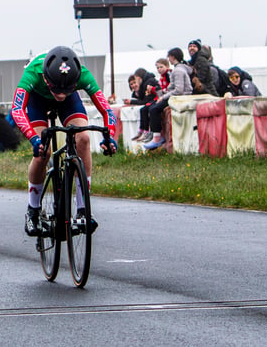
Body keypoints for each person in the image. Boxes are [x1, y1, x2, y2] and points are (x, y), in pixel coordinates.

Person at [11, 46, 117, 237]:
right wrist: (34, 139)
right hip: (38, 101)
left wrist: (109, 137)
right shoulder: (33, 73)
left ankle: (84, 210)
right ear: (45, 78)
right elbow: (17, 110)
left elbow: (107, 110)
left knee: (83, 138)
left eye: (66, 89)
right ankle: (33, 210)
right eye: (56, 90)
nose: (60, 94)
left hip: (71, 102)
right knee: (44, 151)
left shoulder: (82, 74)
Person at [144, 48, 193, 150]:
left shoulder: (178, 70)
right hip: (178, 95)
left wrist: (163, 96)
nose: (169, 60)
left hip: (180, 97)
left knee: (154, 109)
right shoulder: (179, 69)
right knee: (150, 107)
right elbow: (173, 87)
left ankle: (157, 137)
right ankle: (153, 134)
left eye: (169, 57)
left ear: (173, 57)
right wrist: (163, 91)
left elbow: (179, 90)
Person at [132, 59, 171, 142]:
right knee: (145, 109)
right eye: (157, 68)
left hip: (164, 97)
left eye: (161, 67)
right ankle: (145, 131)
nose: (159, 69)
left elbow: (165, 89)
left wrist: (153, 89)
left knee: (152, 109)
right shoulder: (161, 77)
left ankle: (155, 134)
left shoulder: (167, 75)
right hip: (161, 97)